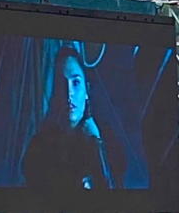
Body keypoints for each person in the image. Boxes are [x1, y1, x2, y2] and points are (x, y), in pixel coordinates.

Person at [23, 45, 116, 190]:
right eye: (61, 84)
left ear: (86, 90)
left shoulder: (107, 140)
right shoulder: (39, 147)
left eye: (76, 83)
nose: (69, 92)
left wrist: (96, 143)